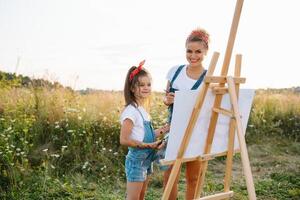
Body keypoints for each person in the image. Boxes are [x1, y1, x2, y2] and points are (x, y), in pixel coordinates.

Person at [162, 28, 210, 200]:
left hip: (197, 130)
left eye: (198, 51)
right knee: (169, 175)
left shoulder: (209, 78)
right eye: (189, 51)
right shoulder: (175, 71)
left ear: (206, 52)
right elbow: (166, 98)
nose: (193, 55)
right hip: (174, 128)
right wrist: (167, 100)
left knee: (193, 177)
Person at [120, 60, 169, 200]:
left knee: (141, 196)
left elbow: (144, 135)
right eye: (141, 85)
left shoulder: (142, 110)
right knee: (133, 198)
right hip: (137, 160)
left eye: (148, 84)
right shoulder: (130, 111)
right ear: (132, 88)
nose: (146, 87)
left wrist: (165, 129)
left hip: (146, 158)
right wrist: (149, 145)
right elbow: (124, 139)